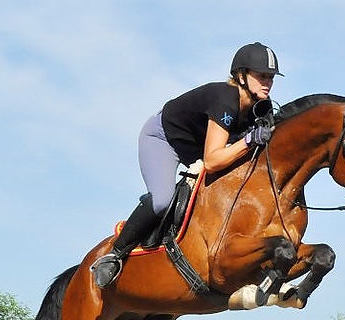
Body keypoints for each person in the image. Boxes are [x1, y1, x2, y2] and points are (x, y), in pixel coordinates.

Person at [92, 42, 282, 288]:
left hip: (196, 148)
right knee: (162, 199)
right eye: (262, 76)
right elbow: (213, 160)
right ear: (241, 75)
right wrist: (248, 140)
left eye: (271, 77)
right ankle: (114, 255)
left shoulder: (262, 107)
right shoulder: (225, 98)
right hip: (163, 139)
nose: (267, 82)